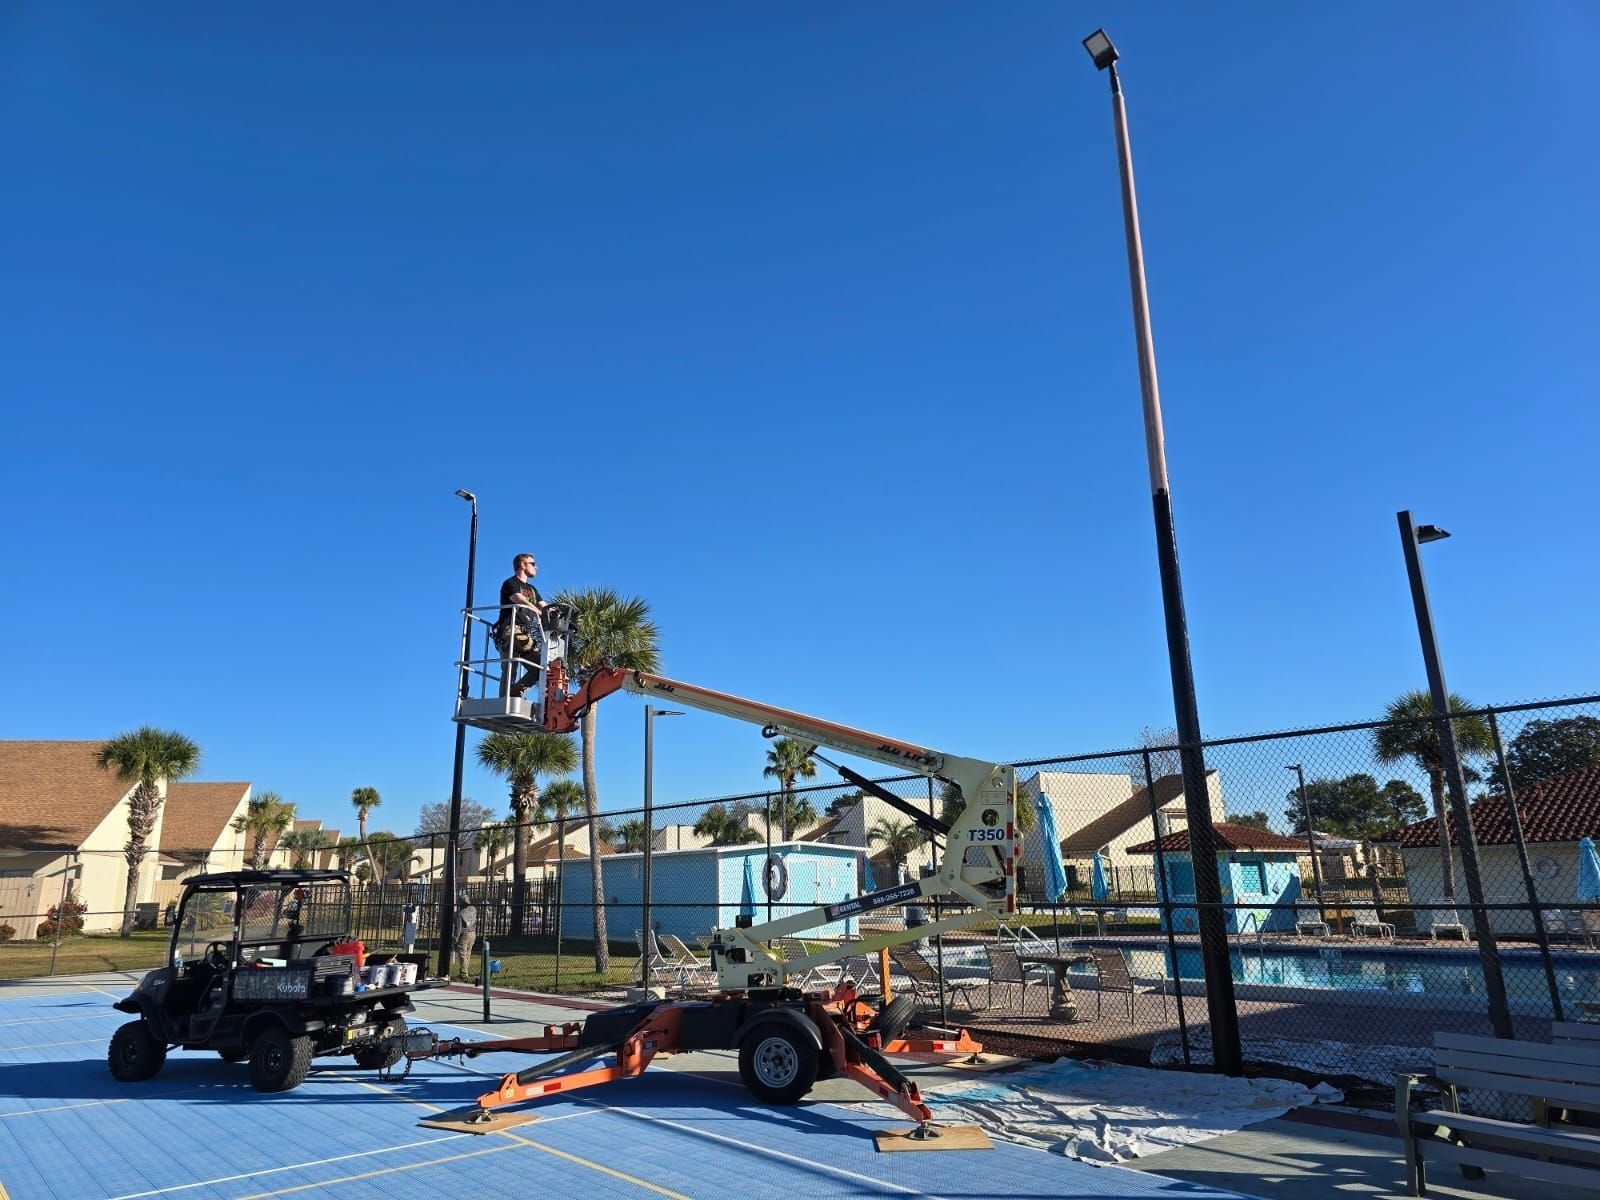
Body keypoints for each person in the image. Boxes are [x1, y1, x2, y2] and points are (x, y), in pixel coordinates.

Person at [495, 552, 546, 699]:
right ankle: (504, 701)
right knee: (510, 668)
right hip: (509, 629)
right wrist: (536, 611)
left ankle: (514, 693)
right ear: (523, 565)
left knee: (540, 668)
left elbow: (543, 605)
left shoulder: (532, 589)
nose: (536, 567)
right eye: (533, 564)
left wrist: (554, 613)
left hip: (524, 632)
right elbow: (518, 598)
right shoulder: (510, 583)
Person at [452, 892, 478, 979]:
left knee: (463, 954)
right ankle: (464, 972)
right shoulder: (473, 909)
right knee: (468, 953)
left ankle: (464, 974)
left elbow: (458, 928)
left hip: (464, 935)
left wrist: (455, 938)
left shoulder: (460, 914)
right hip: (473, 933)